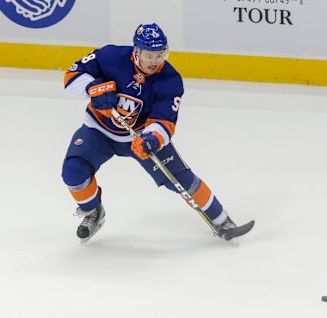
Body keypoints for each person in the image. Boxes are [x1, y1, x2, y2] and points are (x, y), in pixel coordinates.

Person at [61, 23, 244, 242]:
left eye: (160, 54)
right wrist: (93, 88)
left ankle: (221, 220)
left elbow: (165, 119)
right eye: (149, 55)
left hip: (139, 137)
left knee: (181, 179)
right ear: (136, 51)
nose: (155, 61)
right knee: (73, 170)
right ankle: (92, 212)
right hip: (98, 129)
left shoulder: (170, 79)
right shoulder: (110, 56)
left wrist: (153, 138)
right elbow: (72, 75)